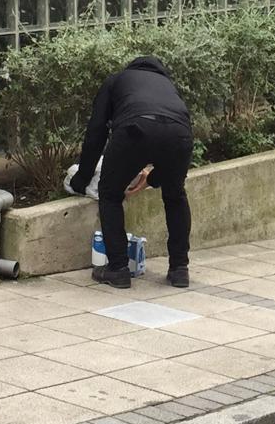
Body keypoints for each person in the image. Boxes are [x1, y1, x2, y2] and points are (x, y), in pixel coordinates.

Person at [69, 56, 194, 290]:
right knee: (175, 195)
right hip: (180, 135)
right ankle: (180, 269)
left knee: (110, 193)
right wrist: (153, 179)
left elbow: (96, 131)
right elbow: (173, 148)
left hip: (134, 130)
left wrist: (82, 179)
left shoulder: (117, 80)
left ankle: (117, 269)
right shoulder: (167, 85)